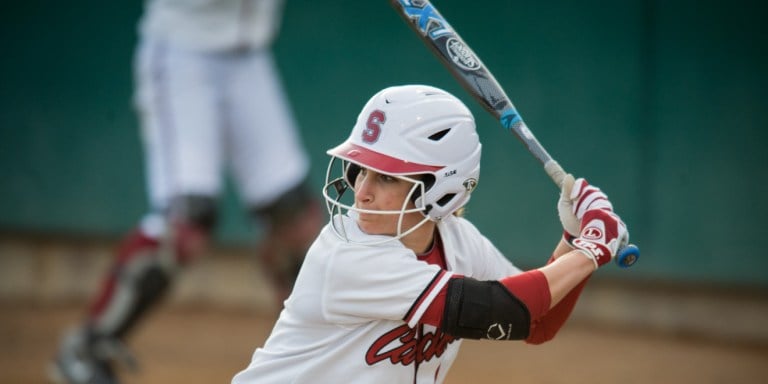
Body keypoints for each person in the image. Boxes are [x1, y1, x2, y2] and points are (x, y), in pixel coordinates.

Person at [231, 84, 630, 383]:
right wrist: (593, 249)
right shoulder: (348, 255)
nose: (363, 191)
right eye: (360, 169)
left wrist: (574, 241)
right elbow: (500, 308)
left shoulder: (460, 241)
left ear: (441, 187)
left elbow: (536, 322)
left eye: (386, 177)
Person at [50, 0, 323, 383]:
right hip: (183, 51)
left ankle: (312, 354)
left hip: (250, 56)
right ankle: (86, 349)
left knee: (294, 219)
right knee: (185, 225)